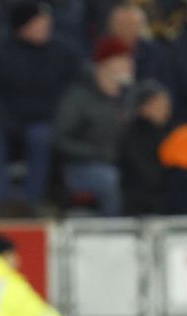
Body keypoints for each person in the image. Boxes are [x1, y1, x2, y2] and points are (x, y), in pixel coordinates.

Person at [0, 1, 80, 209]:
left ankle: (32, 202)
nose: (45, 27)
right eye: (38, 23)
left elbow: (68, 92)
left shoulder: (63, 52)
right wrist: (6, 119)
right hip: (6, 118)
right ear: (22, 27)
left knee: (42, 137)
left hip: (43, 118)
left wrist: (46, 114)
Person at [55, 36, 135, 217]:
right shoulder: (79, 97)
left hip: (120, 163)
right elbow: (61, 138)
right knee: (109, 179)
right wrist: (95, 153)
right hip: (82, 167)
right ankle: (112, 232)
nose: (129, 64)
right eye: (123, 59)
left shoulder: (128, 97)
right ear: (105, 63)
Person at [118, 80, 172, 216]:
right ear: (144, 107)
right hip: (140, 199)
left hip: (163, 193)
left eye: (167, 105)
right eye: (159, 104)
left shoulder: (168, 132)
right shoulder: (133, 134)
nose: (166, 109)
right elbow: (141, 170)